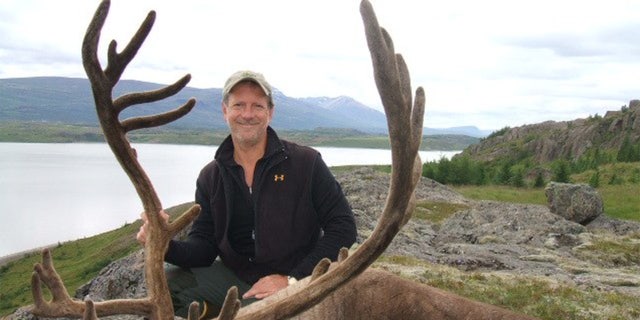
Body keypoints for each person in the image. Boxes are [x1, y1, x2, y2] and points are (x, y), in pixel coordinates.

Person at [136, 70, 357, 317]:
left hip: (298, 283)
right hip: (240, 280)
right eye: (239, 105)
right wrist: (164, 244)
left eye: (257, 106)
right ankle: (219, 312)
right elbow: (204, 247)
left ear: (270, 113)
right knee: (165, 284)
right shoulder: (211, 177)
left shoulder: (306, 163)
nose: (248, 114)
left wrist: (291, 279)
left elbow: (343, 227)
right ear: (225, 112)